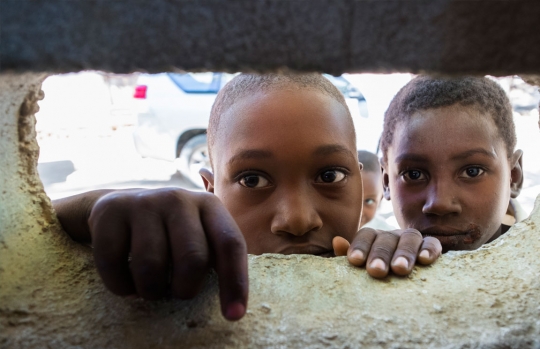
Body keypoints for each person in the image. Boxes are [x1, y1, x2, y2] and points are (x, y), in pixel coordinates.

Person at [52, 73, 442, 322]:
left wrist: (400, 251)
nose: (297, 220)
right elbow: (24, 230)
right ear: (210, 190)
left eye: (330, 175)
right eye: (253, 180)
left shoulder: (377, 257)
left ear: (361, 182)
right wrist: (96, 208)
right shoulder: (188, 256)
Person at [378, 75, 524, 252]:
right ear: (386, 182)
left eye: (472, 171)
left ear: (513, 176)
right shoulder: (378, 263)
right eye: (413, 174)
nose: (440, 203)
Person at [357, 150, 393, 230]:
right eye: (350, 199)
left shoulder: (384, 233)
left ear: (380, 200)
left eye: (369, 201)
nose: (359, 212)